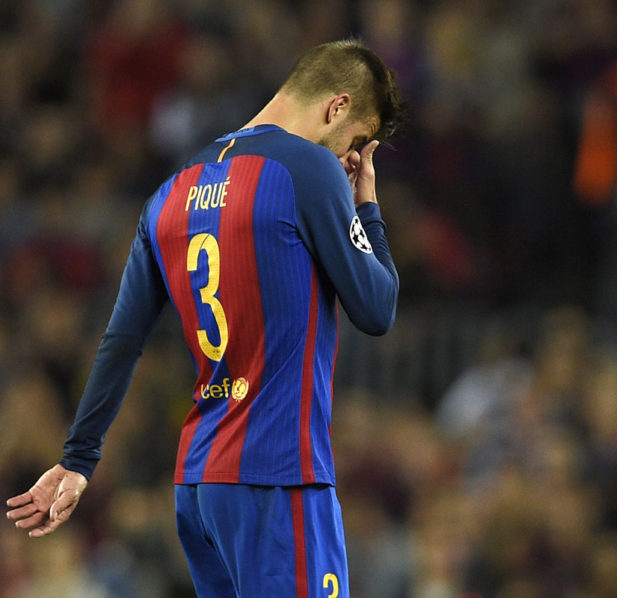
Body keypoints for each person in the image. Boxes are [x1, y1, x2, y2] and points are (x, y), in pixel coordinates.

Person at [6, 39, 403, 598]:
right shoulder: (309, 169)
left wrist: (78, 459)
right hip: (278, 477)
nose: (354, 158)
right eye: (360, 140)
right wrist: (366, 205)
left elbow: (122, 339)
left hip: (198, 488)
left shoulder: (171, 190)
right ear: (336, 108)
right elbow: (377, 307)